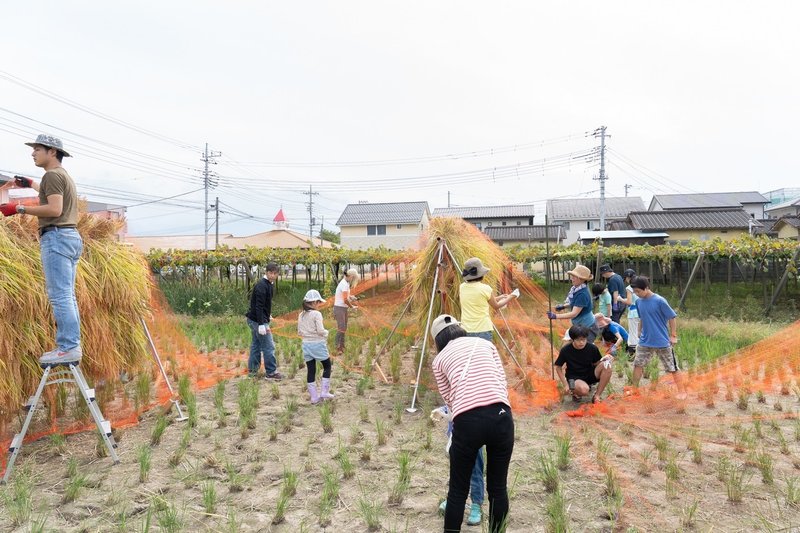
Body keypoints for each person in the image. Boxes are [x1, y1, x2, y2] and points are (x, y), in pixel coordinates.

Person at [1, 135, 83, 365]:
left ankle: (68, 347)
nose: (33, 153)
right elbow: (52, 196)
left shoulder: (52, 176)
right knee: (67, 295)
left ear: (52, 152)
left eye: (37, 149)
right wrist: (30, 184)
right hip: (70, 237)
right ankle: (72, 344)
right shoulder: (61, 176)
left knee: (60, 296)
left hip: (57, 237)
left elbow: (55, 209)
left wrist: (18, 208)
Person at [431, 315, 514, 533]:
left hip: (468, 422)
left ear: (437, 340)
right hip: (502, 416)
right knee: (498, 488)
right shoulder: (486, 344)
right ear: (460, 329)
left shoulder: (439, 360)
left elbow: (449, 399)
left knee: (458, 490)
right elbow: (502, 381)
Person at [629, 276, 685, 397]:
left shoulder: (660, 301)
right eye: (635, 292)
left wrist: (673, 335)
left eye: (638, 291)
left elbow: (672, 317)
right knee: (638, 364)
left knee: (672, 367)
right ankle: (634, 390)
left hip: (661, 341)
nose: (636, 294)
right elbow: (642, 317)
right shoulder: (638, 302)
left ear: (647, 288)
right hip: (645, 341)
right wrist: (639, 331)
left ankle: (681, 391)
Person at [459, 257, 518, 342]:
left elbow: (480, 299)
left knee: (471, 355)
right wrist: (511, 296)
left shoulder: (462, 287)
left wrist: (499, 297)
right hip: (482, 330)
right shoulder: (485, 288)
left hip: (466, 330)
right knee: (484, 354)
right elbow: (496, 306)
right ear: (481, 274)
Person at [553, 325, 614, 403]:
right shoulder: (566, 350)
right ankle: (575, 391)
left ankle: (597, 396)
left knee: (607, 365)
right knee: (584, 390)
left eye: (584, 339)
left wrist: (606, 359)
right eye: (578, 340)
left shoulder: (592, 348)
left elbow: (597, 363)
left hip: (589, 373)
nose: (581, 342)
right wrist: (565, 384)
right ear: (572, 339)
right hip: (574, 377)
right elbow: (558, 367)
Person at [245, 262, 283, 379]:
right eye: (270, 273)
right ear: (266, 272)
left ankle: (252, 371)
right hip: (256, 321)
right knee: (269, 346)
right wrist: (262, 324)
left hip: (257, 318)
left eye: (275, 273)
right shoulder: (262, 285)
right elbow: (258, 306)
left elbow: (265, 304)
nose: (272, 275)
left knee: (256, 345)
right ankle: (271, 372)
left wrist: (268, 315)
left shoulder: (269, 284)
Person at [297, 290, 334, 403]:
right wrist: (326, 333)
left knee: (311, 370)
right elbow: (320, 330)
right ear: (313, 303)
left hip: (306, 345)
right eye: (318, 302)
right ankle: (324, 391)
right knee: (327, 366)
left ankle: (314, 397)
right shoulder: (316, 314)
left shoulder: (301, 315)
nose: (319, 305)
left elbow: (299, 332)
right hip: (317, 344)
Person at [547, 264, 597, 343]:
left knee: (584, 350)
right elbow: (575, 303)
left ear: (581, 279)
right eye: (572, 276)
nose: (572, 279)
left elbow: (574, 313)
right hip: (580, 325)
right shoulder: (576, 289)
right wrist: (563, 306)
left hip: (588, 328)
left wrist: (555, 316)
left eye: (574, 277)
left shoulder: (582, 294)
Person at [333, 268, 360, 355]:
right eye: (353, 278)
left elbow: (345, 296)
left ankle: (342, 346)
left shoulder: (346, 283)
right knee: (341, 328)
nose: (353, 280)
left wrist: (351, 297)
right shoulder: (344, 284)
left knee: (344, 328)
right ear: (351, 276)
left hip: (343, 308)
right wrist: (352, 306)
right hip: (339, 308)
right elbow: (344, 300)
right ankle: (338, 347)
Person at [616, 269, 640, 358]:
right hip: (641, 311)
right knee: (640, 332)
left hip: (633, 313)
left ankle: (632, 354)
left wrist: (620, 299)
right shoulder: (641, 285)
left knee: (633, 333)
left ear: (628, 278)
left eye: (625, 278)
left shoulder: (630, 288)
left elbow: (629, 302)